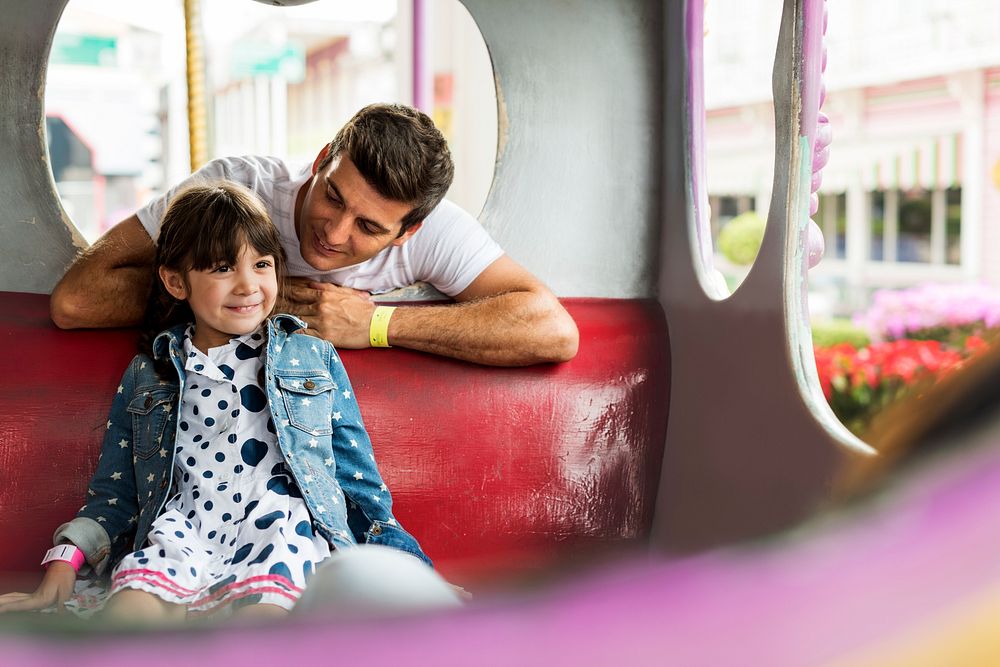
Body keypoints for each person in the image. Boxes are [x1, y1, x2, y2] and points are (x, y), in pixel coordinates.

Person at [0, 182, 444, 621]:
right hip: (178, 535)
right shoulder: (149, 374)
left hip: (280, 537)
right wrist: (63, 562)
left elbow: (360, 487)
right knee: (126, 623)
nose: (248, 286)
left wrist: (418, 576)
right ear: (176, 281)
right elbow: (114, 495)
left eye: (262, 264)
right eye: (221, 269)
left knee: (255, 636)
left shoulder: (310, 356)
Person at [50, 103, 579, 367]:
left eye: (369, 227)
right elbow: (76, 300)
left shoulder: (436, 232)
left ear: (408, 231)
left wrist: (376, 325)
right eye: (333, 196)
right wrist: (251, 300)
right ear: (323, 160)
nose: (334, 231)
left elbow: (553, 331)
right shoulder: (235, 185)